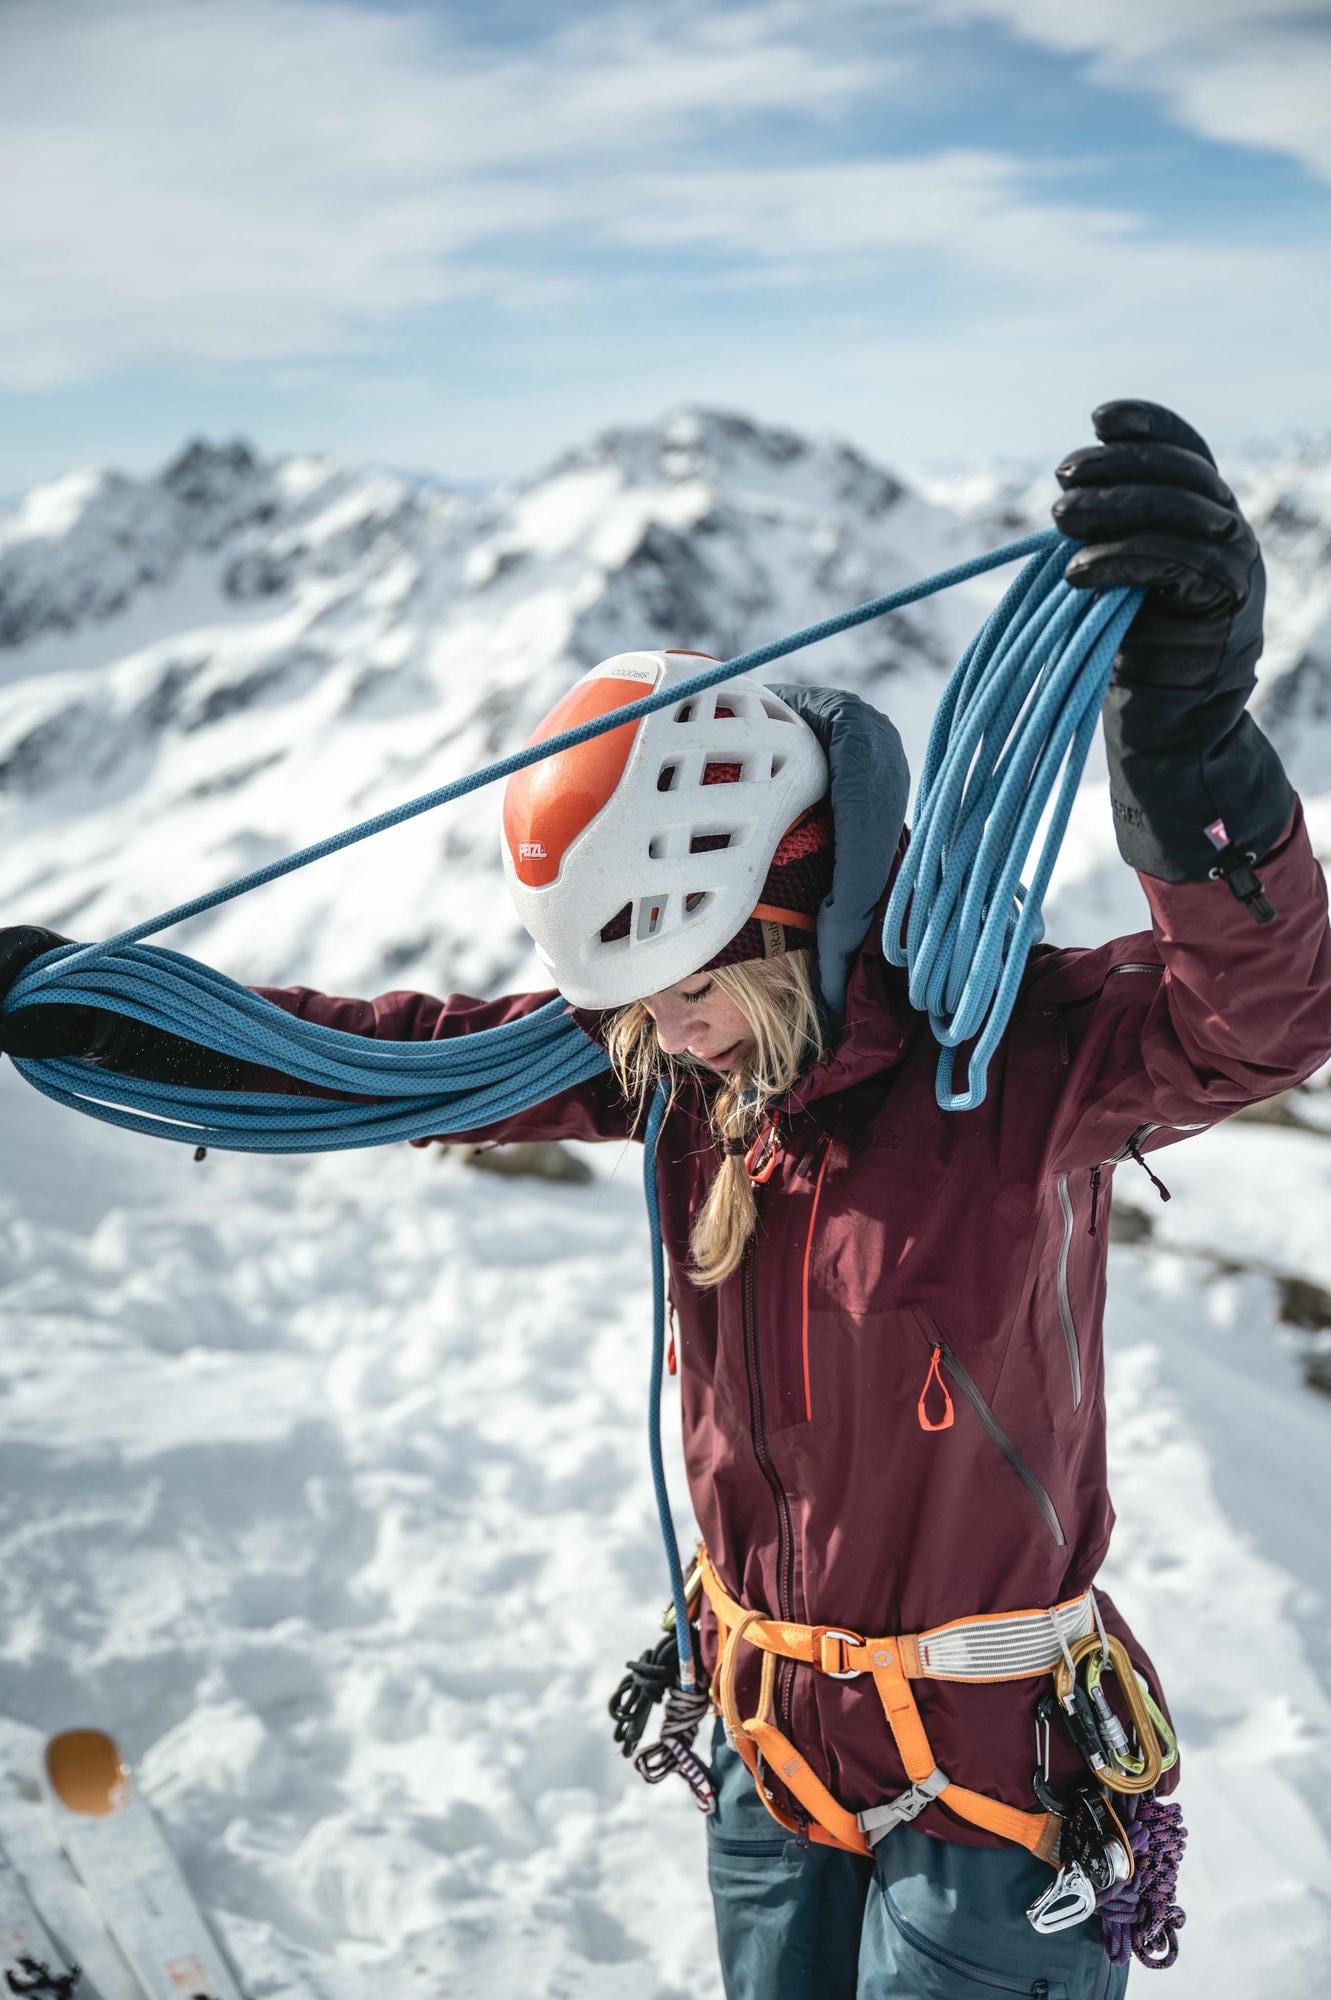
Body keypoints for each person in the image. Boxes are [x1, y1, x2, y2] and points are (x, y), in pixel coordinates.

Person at [3, 402, 1329, 1998]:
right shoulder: (684, 1073)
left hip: (986, 1785)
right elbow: (408, 1065)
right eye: (628, 1008)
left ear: (790, 911)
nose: (654, 1039)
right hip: (770, 1741)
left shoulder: (1017, 1058)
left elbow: (1259, 1016)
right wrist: (112, 1017)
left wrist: (1192, 760)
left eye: (682, 994)